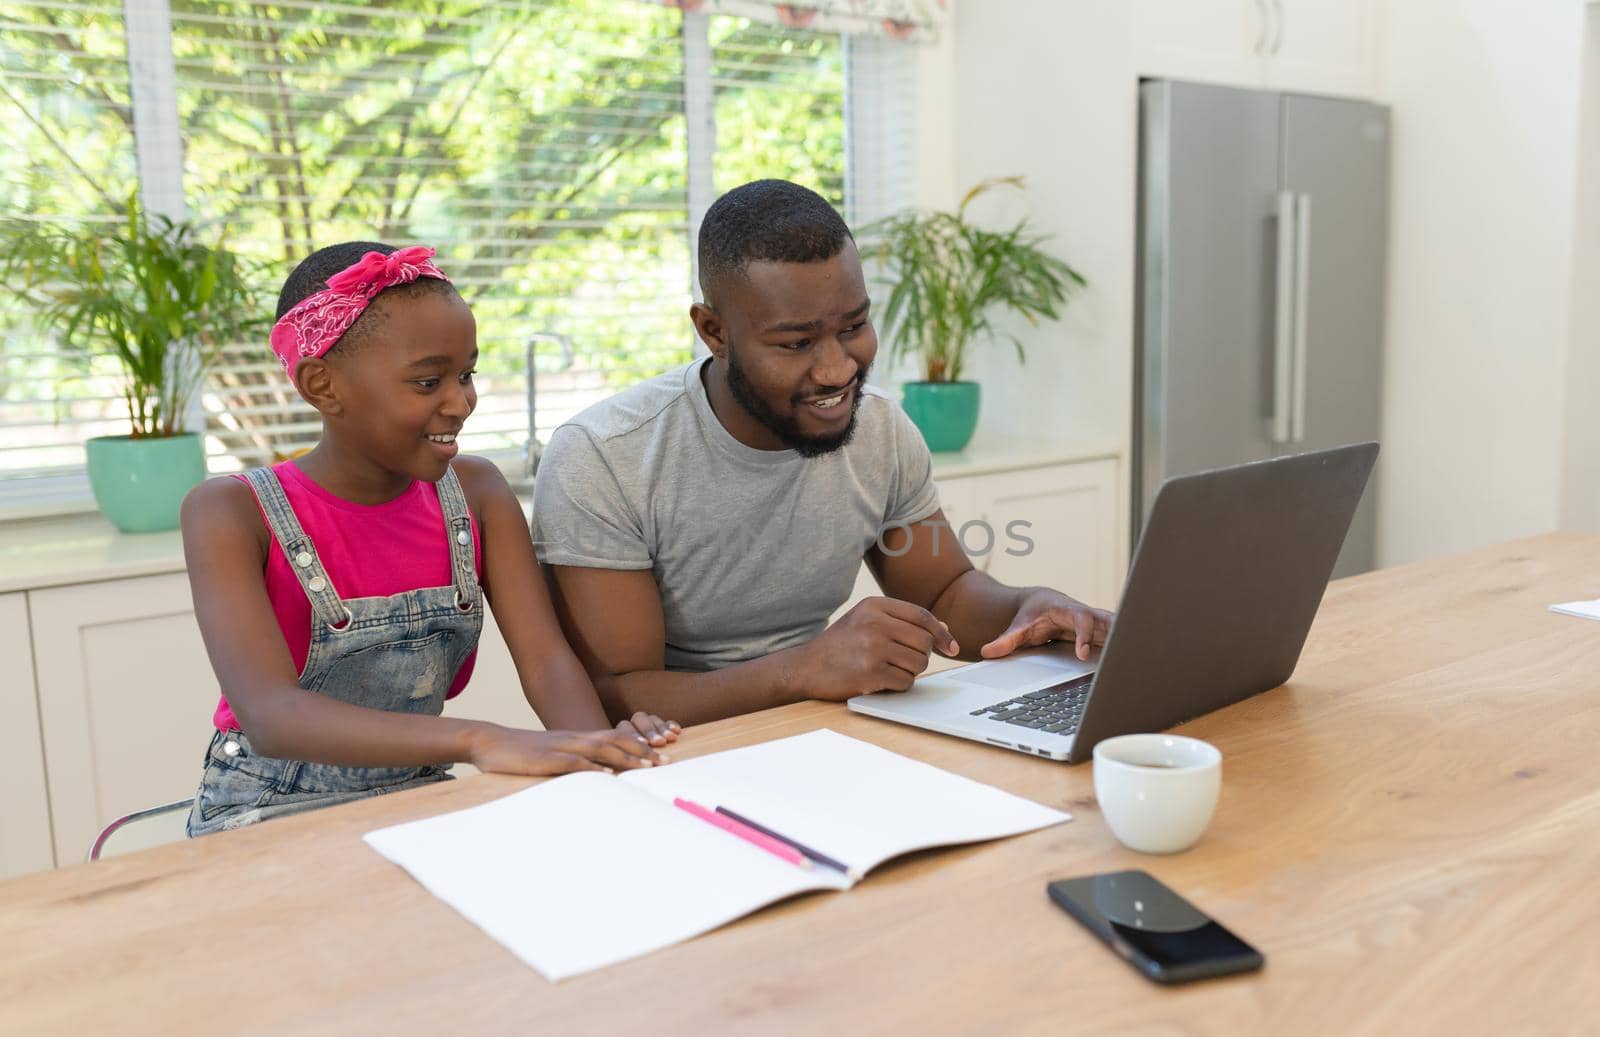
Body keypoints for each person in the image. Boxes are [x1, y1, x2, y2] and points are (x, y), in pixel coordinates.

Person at [533, 180, 1114, 728]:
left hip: (825, 729)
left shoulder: (881, 430)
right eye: (796, 343)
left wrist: (1028, 610)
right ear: (714, 331)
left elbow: (946, 594)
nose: (837, 369)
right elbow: (614, 695)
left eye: (855, 325)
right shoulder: (605, 457)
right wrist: (805, 669)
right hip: (679, 757)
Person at [181, 241, 677, 836]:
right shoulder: (230, 512)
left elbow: (546, 663)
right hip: (264, 809)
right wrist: (478, 739)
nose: (460, 402)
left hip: (414, 794)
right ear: (323, 385)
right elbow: (271, 715)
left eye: (465, 374)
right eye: (427, 382)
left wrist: (597, 752)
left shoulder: (480, 494)